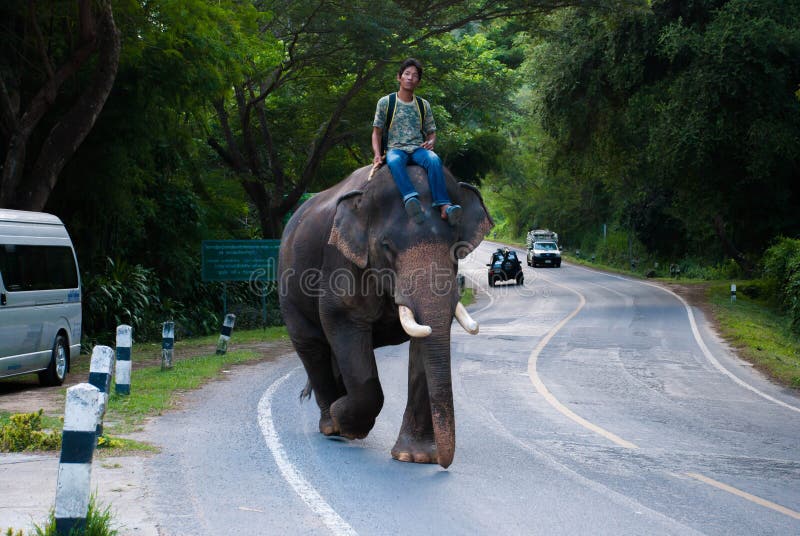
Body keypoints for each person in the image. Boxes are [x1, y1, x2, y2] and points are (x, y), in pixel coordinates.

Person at [372, 58, 462, 226]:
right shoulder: (386, 102)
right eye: (406, 74)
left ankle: (444, 206)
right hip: (395, 149)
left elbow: (431, 132)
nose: (410, 78)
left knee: (434, 159)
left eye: (414, 75)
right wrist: (377, 154)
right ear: (399, 77)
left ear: (418, 81)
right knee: (394, 161)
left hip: (417, 149)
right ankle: (411, 199)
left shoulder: (423, 105)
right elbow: (376, 132)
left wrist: (431, 142)